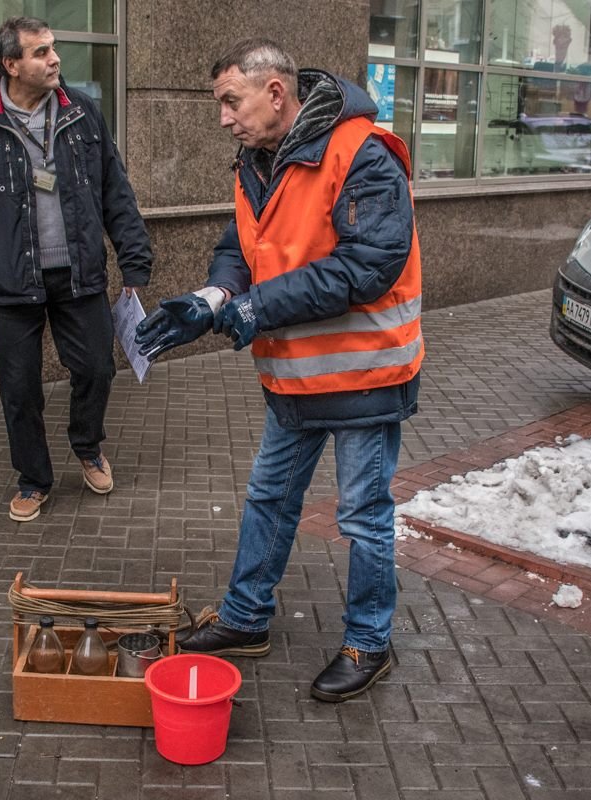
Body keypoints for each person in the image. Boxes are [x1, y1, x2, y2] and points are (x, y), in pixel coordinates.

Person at [135, 38, 423, 702]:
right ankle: (244, 618)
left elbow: (368, 266)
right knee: (269, 499)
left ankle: (368, 643)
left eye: (230, 101)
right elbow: (241, 244)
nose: (224, 118)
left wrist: (256, 304)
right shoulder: (256, 159)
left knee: (364, 516)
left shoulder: (362, 153)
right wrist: (212, 299)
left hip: (365, 377)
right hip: (295, 375)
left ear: (275, 92)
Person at [0, 16, 153, 522]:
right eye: (40, 52)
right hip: (11, 280)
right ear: (10, 64)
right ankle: (33, 478)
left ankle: (86, 445)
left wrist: (134, 259)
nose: (54, 58)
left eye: (53, 48)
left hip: (79, 274)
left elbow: (114, 190)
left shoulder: (82, 112)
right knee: (20, 389)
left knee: (97, 369)